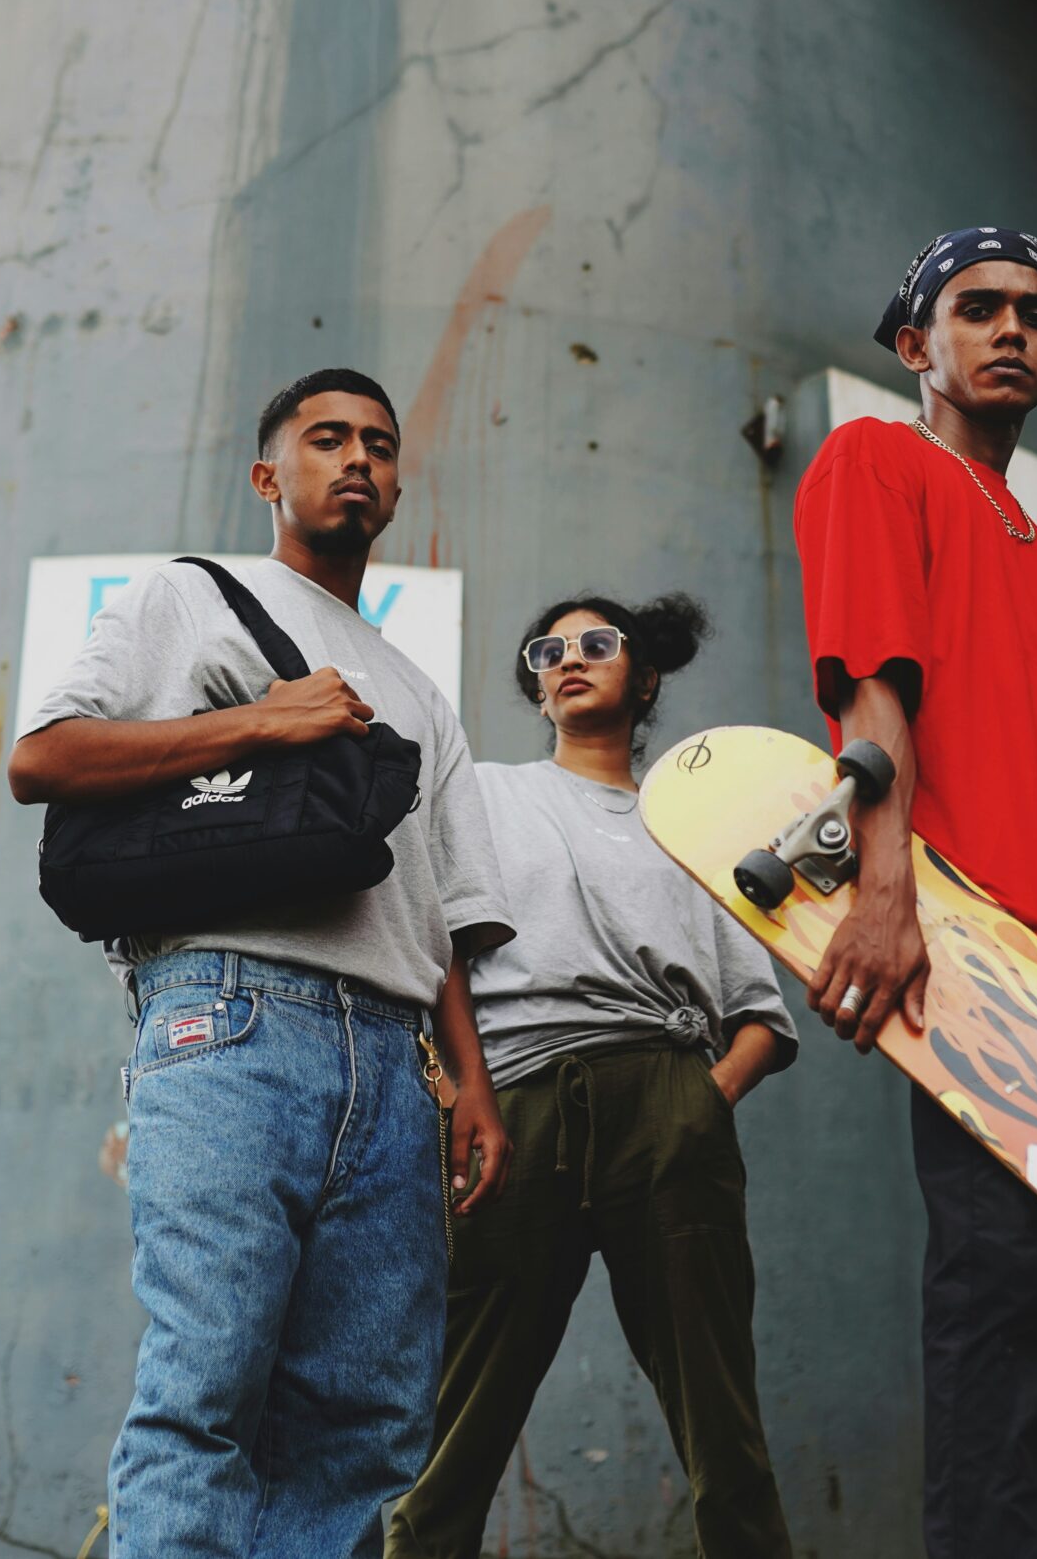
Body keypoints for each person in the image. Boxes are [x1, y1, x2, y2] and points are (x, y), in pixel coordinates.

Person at [7, 367, 514, 1559]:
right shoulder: (188, 597)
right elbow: (43, 758)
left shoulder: (422, 697)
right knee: (205, 1389)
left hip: (395, 1061)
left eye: (378, 446)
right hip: (227, 1016)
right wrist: (261, 722)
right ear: (266, 474)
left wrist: (470, 1083)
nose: (356, 461)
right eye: (325, 438)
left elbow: (439, 912)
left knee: (367, 1423)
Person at [794, 228, 1037, 1557]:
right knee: (1008, 1360)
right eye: (978, 308)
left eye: (1035, 313)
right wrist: (885, 885)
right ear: (918, 345)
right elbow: (871, 689)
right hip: (990, 987)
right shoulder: (878, 460)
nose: (1010, 329)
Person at [388, 592, 799, 1559]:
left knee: (720, 1414)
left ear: (644, 676)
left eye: (598, 645)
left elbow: (761, 1019)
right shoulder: (485, 794)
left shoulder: (694, 830)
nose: (570, 659)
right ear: (537, 688)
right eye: (549, 650)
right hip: (513, 1106)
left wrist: (699, 1104)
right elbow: (429, 952)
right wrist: (461, 1092)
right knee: (458, 1412)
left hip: (665, 1099)